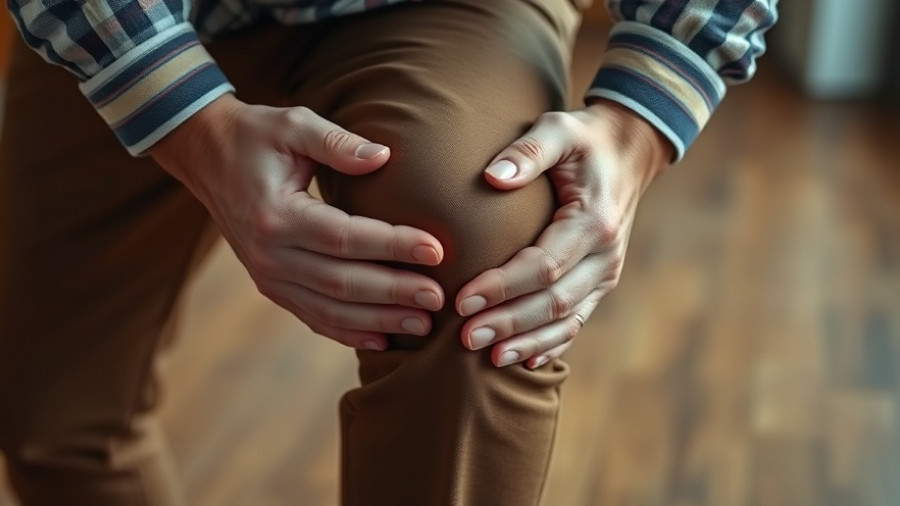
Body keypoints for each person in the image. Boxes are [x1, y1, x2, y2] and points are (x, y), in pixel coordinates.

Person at [0, 0, 777, 504]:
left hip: (440, 8)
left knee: (477, 260)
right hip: (123, 20)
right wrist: (183, 118)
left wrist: (636, 127)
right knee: (52, 416)